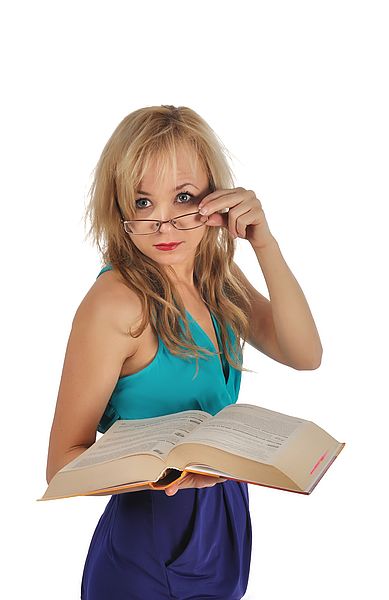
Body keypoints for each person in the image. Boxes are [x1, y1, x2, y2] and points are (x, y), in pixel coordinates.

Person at [45, 105, 323, 600]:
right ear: (120, 207)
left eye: (185, 197)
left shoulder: (217, 278)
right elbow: (62, 465)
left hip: (224, 517)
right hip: (150, 536)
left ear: (215, 198)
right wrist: (162, 475)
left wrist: (265, 244)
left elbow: (305, 354)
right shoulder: (116, 303)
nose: (165, 223)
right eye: (144, 202)